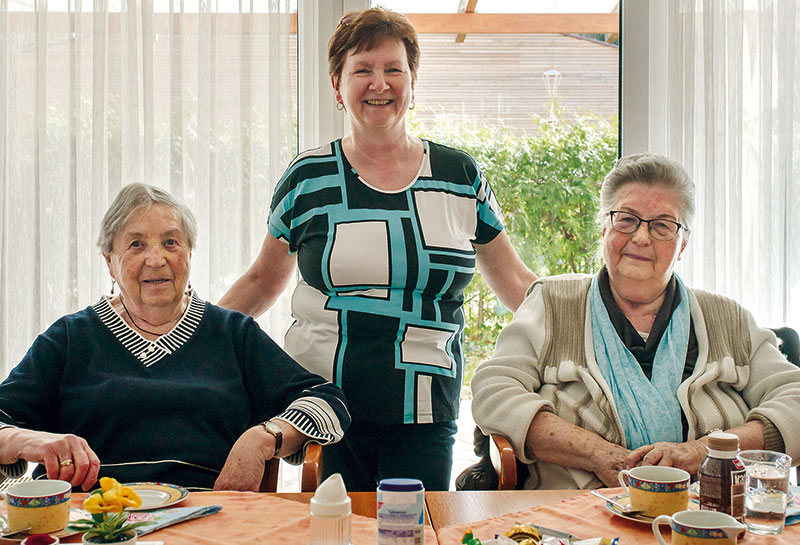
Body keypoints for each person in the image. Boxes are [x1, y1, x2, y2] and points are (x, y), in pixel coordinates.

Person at [218, 7, 537, 491]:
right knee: (334, 533)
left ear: (413, 80)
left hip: (425, 402)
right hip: (323, 401)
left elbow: (515, 283)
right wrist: (197, 337)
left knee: (409, 532)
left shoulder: (460, 178)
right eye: (362, 70)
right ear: (337, 85)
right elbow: (262, 281)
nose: (379, 84)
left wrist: (583, 321)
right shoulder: (308, 178)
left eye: (393, 70)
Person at [471, 153, 800, 490]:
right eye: (626, 219)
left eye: (662, 225)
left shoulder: (728, 318)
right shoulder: (552, 303)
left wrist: (701, 453)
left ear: (682, 244)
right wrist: (598, 454)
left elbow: (796, 398)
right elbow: (493, 391)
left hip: (711, 516)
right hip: (577, 517)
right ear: (604, 228)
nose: (641, 238)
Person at [0, 183, 350, 491]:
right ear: (109, 261)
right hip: (94, 520)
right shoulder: (70, 338)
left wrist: (264, 438)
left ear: (188, 254)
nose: (157, 259)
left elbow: (326, 401)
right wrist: (31, 440)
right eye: (136, 245)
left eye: (170, 242)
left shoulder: (230, 333)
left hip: (210, 519)